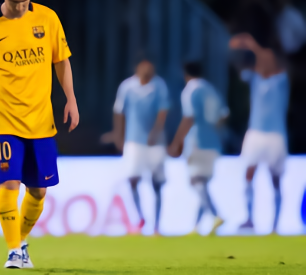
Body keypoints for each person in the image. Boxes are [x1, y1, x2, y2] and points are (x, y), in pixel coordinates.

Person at [0, 0, 79, 269]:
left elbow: (61, 60)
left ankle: (22, 239)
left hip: (41, 120)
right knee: (9, 184)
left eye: (25, 1)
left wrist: (71, 99)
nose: (19, 7)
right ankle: (14, 251)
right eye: (14, 1)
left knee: (39, 191)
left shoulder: (47, 18)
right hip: (3, 118)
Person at [229, 32, 290, 234]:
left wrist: (253, 45)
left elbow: (267, 60)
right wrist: (240, 48)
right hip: (255, 133)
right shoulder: (254, 78)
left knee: (275, 179)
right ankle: (249, 218)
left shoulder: (281, 80)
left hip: (275, 135)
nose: (263, 62)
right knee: (248, 174)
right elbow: (237, 66)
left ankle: (275, 224)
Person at [168, 62, 229, 235]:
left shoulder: (190, 90)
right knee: (202, 184)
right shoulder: (211, 90)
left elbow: (189, 117)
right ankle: (197, 226)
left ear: (185, 74)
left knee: (196, 181)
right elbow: (223, 115)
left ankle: (216, 214)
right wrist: (213, 130)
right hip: (213, 142)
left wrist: (176, 142)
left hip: (197, 141)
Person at [113, 59, 170, 235]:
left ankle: (157, 225)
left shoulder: (159, 85)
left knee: (156, 182)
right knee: (132, 179)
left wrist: (155, 132)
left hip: (155, 143)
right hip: (134, 140)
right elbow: (119, 112)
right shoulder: (127, 87)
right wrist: (119, 135)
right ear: (137, 68)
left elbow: (163, 111)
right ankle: (140, 218)